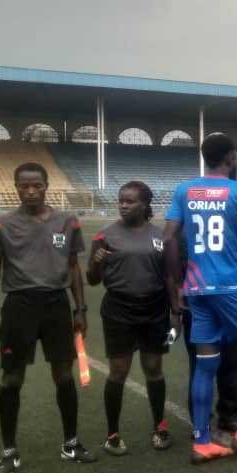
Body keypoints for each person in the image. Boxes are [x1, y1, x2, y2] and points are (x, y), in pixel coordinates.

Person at [164, 133, 237, 463]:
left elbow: (168, 238)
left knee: (204, 364)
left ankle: (202, 441)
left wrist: (177, 287)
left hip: (196, 288)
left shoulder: (184, 190)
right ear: (231, 157)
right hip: (230, 286)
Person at [0, 162, 95, 473]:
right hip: (19, 306)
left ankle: (71, 443)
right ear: (15, 187)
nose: (30, 191)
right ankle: (9, 451)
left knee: (64, 375)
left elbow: (73, 268)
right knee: (12, 379)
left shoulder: (67, 222)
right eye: (23, 186)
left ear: (47, 186)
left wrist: (81, 309)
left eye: (37, 185)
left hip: (56, 305)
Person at [87, 181, 179, 455]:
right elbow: (92, 279)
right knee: (118, 371)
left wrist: (176, 312)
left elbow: (170, 277)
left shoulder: (160, 236)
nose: (124, 205)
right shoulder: (104, 236)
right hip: (118, 309)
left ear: (145, 205)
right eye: (121, 201)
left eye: (130, 201)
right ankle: (112, 434)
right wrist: (96, 262)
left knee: (153, 368)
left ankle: (160, 426)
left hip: (154, 309)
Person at [181, 234, 237, 433]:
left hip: (232, 309)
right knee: (200, 365)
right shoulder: (188, 233)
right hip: (200, 309)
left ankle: (229, 414)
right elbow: (175, 269)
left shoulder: (236, 234)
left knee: (230, 364)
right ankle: (201, 421)